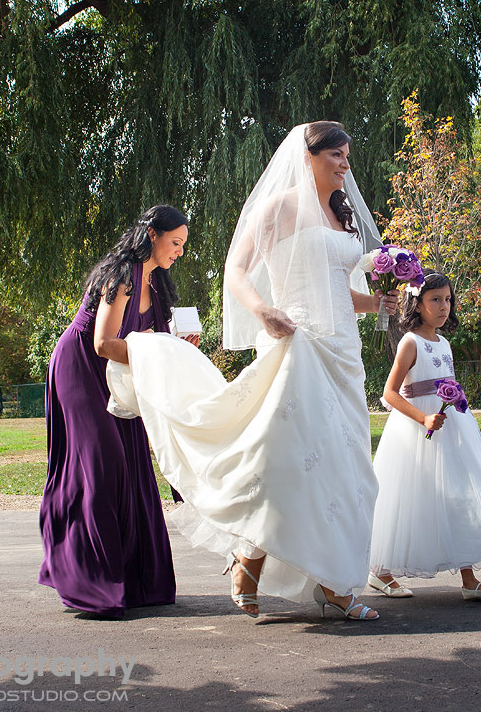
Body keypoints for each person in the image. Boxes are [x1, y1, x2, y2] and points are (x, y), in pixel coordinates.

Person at [104, 121, 398, 621]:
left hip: (343, 354)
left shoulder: (342, 218)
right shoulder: (279, 207)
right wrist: (262, 310)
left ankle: (303, 573)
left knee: (346, 469)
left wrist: (381, 303)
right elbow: (235, 270)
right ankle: (285, 567)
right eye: (336, 155)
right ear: (309, 157)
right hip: (297, 344)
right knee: (287, 460)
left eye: (348, 155)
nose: (346, 164)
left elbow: (340, 292)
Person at [39, 205, 197, 617]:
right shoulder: (121, 276)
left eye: (183, 244)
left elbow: (145, 341)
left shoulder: (158, 285)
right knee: (101, 463)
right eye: (175, 242)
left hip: (122, 380)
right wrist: (160, 348)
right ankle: (89, 581)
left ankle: (139, 583)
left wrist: (178, 346)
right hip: (81, 369)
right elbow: (104, 342)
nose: (179, 251)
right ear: (151, 236)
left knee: (133, 467)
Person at [367, 271, 481, 600]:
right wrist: (423, 417)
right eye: (435, 300)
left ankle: (469, 580)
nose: (443, 306)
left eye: (448, 299)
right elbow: (390, 394)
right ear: (419, 304)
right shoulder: (410, 343)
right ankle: (381, 573)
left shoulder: (444, 343)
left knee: (459, 497)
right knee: (408, 500)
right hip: (417, 434)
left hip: (451, 429)